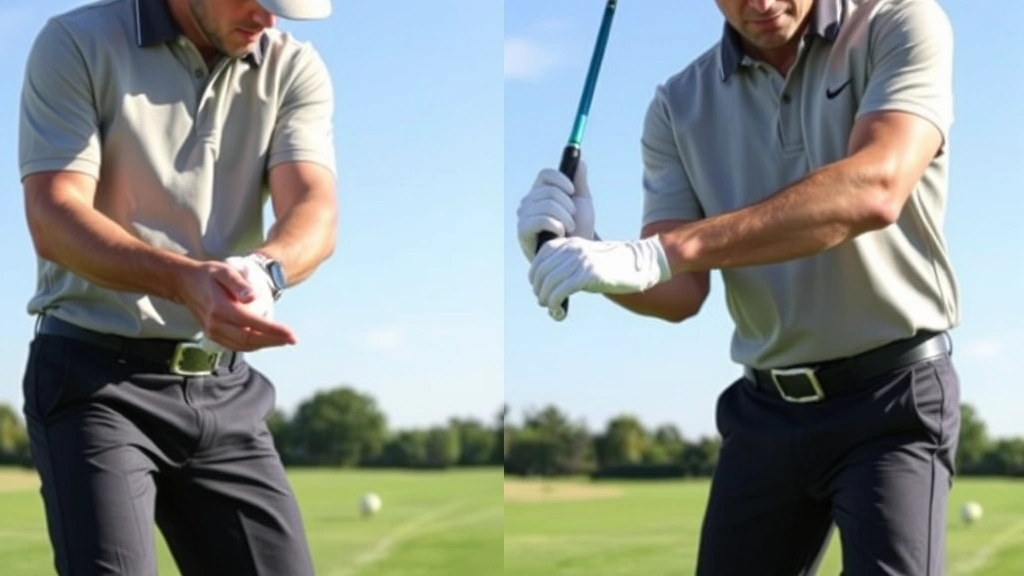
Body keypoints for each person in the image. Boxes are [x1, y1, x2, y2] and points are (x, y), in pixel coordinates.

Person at [516, 0, 961, 574]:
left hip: (893, 399)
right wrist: (590, 254)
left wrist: (663, 252)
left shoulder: (899, 22)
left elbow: (875, 188)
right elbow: (679, 292)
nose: (761, 3)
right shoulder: (678, 103)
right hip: (765, 415)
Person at [17, 0, 337, 574]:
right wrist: (182, 280)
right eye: (258, 0)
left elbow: (315, 207)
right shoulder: (75, 42)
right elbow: (53, 215)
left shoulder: (293, 66)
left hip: (224, 389)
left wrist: (267, 270)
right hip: (95, 382)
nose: (270, 20)